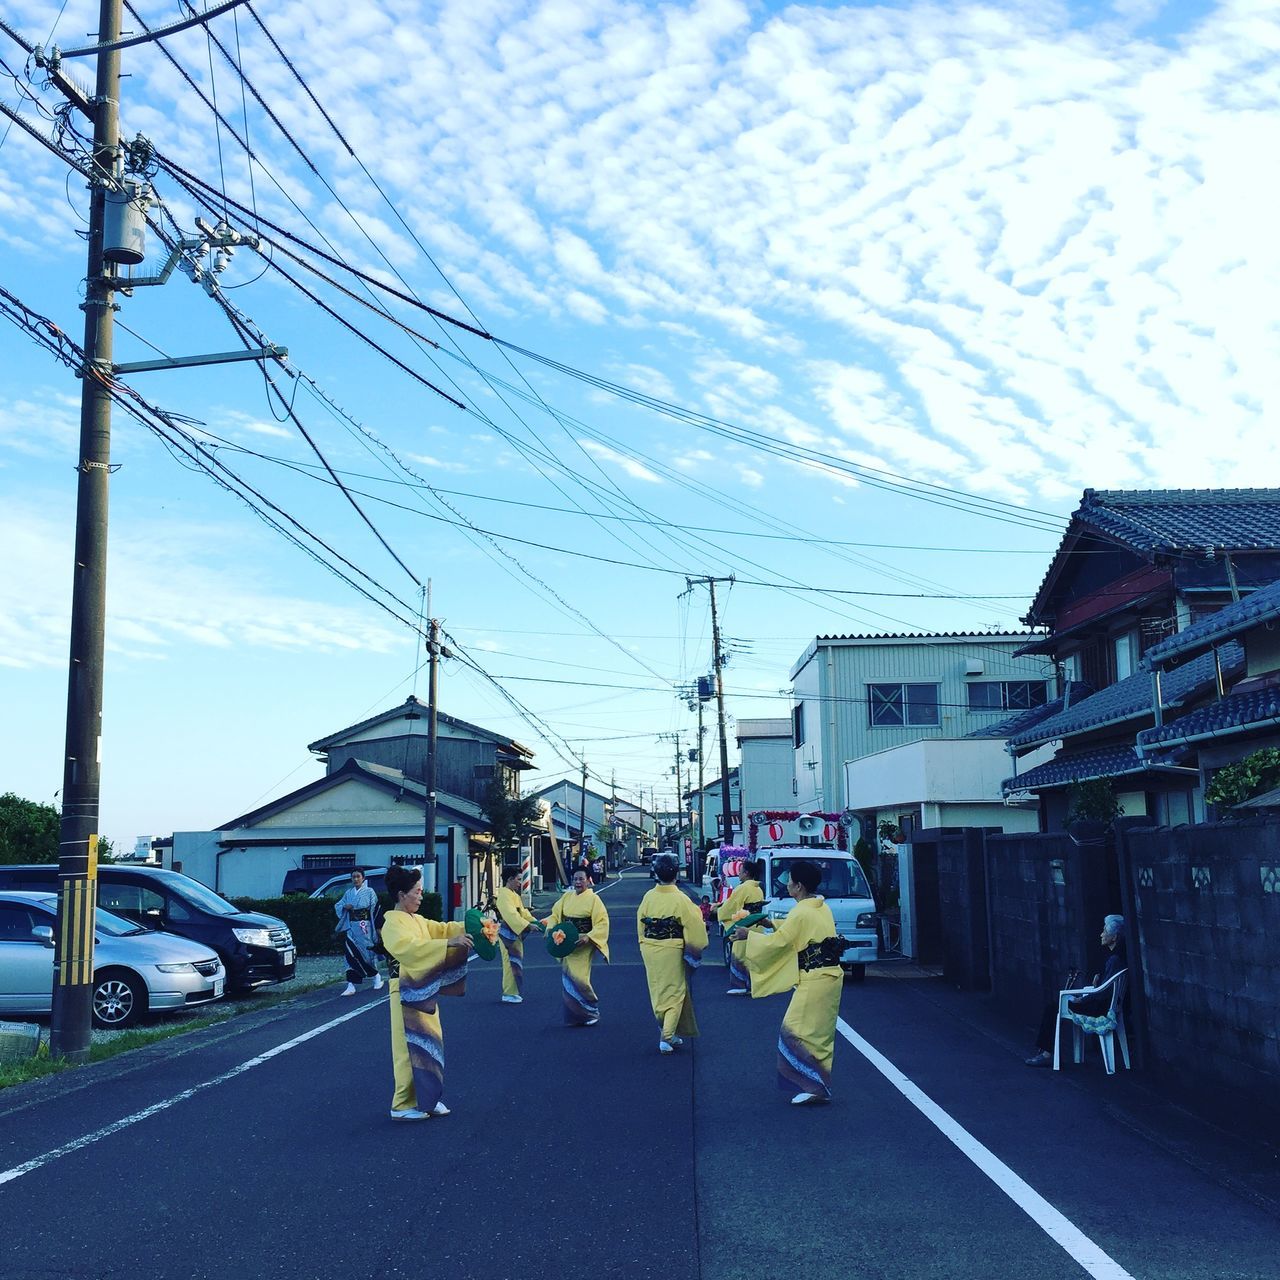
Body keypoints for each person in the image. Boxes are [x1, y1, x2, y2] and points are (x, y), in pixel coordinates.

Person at [734, 859, 842, 1105]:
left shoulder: (802, 911)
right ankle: (818, 1084)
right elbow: (794, 932)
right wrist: (770, 923)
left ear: (799, 886)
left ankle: (814, 1086)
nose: (788, 885)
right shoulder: (819, 906)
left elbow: (780, 942)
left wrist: (748, 935)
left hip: (816, 977)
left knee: (793, 1030)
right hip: (829, 975)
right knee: (818, 1034)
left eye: (791, 881)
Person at [380, 865, 473, 1121]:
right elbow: (409, 949)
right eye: (417, 892)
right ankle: (402, 1103)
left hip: (423, 988)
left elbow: (442, 929)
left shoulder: (417, 920)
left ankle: (429, 1099)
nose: (421, 896)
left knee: (429, 1044)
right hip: (404, 990)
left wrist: (473, 926)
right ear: (401, 894)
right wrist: (447, 944)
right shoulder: (391, 924)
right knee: (406, 1048)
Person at [1025, 914, 1128, 1067]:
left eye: (1105, 931)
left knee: (1053, 1007)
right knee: (1057, 1005)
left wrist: (1082, 999)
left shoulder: (1114, 960)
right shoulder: (1117, 957)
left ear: (1114, 937)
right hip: (1105, 1004)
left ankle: (1047, 1053)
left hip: (1099, 1007)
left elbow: (1103, 992)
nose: (1101, 934)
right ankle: (1047, 1053)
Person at [638, 852, 709, 1053]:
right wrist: (696, 944)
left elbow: (640, 925)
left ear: (656, 874)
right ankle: (666, 1036)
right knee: (675, 991)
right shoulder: (681, 899)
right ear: (676, 875)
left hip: (650, 947)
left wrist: (643, 943)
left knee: (658, 989)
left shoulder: (648, 897)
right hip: (671, 948)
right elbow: (695, 928)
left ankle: (670, 1030)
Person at [547, 866, 610, 1025]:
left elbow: (602, 922)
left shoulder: (594, 899)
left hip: (583, 943)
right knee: (568, 978)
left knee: (580, 978)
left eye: (581, 879)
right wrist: (552, 930)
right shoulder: (566, 897)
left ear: (589, 880)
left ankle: (591, 1011)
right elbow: (555, 915)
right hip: (567, 942)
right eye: (575, 879)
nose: (578, 882)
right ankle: (576, 1015)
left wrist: (589, 936)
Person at [717, 857, 765, 995]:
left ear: (746, 873)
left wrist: (720, 910)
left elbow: (731, 907)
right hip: (756, 925)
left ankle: (740, 985)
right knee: (753, 956)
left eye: (741, 871)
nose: (739, 874)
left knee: (740, 953)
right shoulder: (758, 889)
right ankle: (753, 985)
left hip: (744, 925)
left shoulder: (742, 889)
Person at [495, 864, 542, 1004]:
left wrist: (536, 922)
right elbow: (511, 915)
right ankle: (509, 992)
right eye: (518, 879)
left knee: (515, 961)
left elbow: (523, 912)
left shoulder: (513, 895)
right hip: (507, 932)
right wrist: (527, 925)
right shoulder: (503, 895)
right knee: (510, 962)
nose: (520, 883)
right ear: (510, 879)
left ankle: (513, 992)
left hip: (514, 932)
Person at [334, 869, 384, 996]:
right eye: (353, 877)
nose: (355, 879)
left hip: (365, 926)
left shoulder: (369, 892)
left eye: (358, 876)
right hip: (351, 927)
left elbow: (375, 909)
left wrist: (377, 928)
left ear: (363, 878)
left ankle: (376, 976)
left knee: (367, 953)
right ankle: (351, 984)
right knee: (350, 954)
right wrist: (345, 907)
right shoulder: (348, 893)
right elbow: (338, 905)